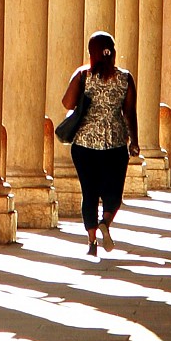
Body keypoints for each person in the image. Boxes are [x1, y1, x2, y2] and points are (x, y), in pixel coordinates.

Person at [59, 31, 139, 256]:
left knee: (89, 191)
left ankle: (92, 241)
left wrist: (82, 80)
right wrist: (134, 141)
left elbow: (67, 102)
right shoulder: (125, 78)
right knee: (114, 193)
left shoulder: (84, 75)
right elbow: (130, 112)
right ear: (113, 52)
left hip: (84, 145)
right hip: (114, 146)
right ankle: (105, 222)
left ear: (91, 53)